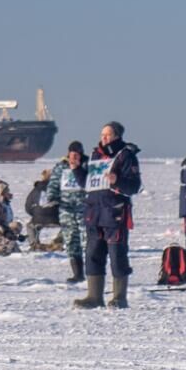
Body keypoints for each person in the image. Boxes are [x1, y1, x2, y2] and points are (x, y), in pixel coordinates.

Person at [76, 121, 142, 309]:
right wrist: (76, 169)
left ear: (117, 136)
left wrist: (117, 180)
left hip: (115, 213)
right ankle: (94, 296)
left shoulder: (126, 156)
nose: (103, 138)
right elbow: (88, 183)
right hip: (94, 213)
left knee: (117, 256)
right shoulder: (96, 155)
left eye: (107, 135)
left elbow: (134, 186)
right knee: (92, 255)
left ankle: (120, 297)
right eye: (102, 134)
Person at [44, 141, 87, 283]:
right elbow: (53, 184)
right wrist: (52, 199)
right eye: (72, 154)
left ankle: (93, 274)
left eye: (77, 154)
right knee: (71, 241)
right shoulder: (61, 167)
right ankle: (78, 273)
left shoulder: (88, 165)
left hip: (84, 209)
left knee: (88, 241)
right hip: (66, 210)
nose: (74, 156)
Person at [23, 169, 62, 251]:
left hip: (38, 219)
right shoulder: (60, 188)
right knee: (69, 225)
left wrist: (35, 214)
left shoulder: (36, 189)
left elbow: (28, 206)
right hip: (57, 219)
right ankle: (58, 242)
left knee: (30, 226)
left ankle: (34, 244)